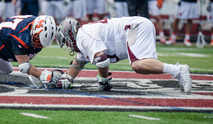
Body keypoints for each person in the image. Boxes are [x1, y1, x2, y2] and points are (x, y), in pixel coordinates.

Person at [55, 16, 193, 94]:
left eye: (65, 42)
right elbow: (78, 62)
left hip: (134, 27)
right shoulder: (85, 34)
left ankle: (179, 70)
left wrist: (103, 80)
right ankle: (178, 70)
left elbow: (102, 61)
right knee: (142, 67)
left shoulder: (83, 36)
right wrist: (67, 78)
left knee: (138, 65)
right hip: (138, 25)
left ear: (70, 34)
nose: (68, 45)